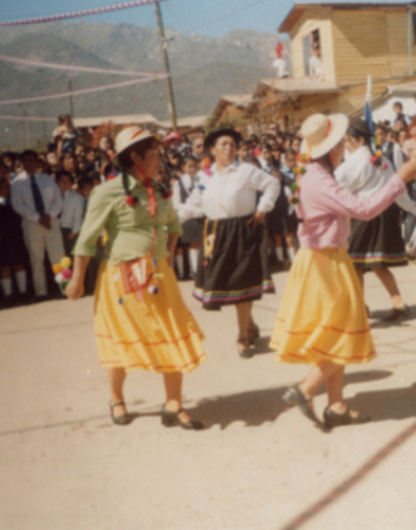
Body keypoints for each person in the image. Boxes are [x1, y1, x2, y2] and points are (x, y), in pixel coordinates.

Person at [270, 113, 416, 429]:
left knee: (336, 330)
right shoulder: (318, 178)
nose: (342, 148)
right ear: (329, 147)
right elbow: (363, 210)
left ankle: (337, 405)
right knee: (344, 328)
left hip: (321, 258)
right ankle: (306, 388)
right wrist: (400, 178)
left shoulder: (311, 172)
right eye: (339, 143)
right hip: (325, 262)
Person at [66, 126, 206, 429]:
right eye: (153, 155)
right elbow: (87, 239)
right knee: (122, 342)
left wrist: (165, 259)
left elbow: (173, 227)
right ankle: (117, 399)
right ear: (134, 157)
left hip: (159, 278)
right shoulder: (107, 191)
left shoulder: (160, 189)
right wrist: (77, 279)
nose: (159, 160)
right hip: (121, 279)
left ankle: (174, 403)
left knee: (170, 336)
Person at [178, 128, 280, 359]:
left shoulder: (246, 171)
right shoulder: (205, 176)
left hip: (243, 231)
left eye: (232, 144)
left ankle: (243, 336)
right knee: (231, 285)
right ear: (212, 149)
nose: (229, 148)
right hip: (215, 234)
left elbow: (273, 185)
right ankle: (250, 325)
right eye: (223, 144)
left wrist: (263, 208)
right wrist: (169, 221)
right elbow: (194, 205)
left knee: (242, 283)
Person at [336, 118, 416, 320]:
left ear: (357, 140)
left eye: (347, 141)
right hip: (382, 214)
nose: (346, 145)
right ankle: (398, 303)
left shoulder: (353, 161)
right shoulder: (383, 160)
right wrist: (412, 208)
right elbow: (398, 188)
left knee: (355, 263)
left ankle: (359, 306)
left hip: (362, 216)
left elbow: (335, 187)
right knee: (375, 263)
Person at [10, 150, 65, 302]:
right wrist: (37, 218)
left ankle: (65, 288)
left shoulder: (48, 179)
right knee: (36, 259)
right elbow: (17, 205)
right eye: (25, 161)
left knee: (58, 257)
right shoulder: (17, 183)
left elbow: (58, 201)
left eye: (31, 160)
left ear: (37, 162)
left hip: (51, 222)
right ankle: (41, 292)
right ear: (22, 164)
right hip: (32, 224)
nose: (29, 164)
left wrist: (49, 216)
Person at [0, 179, 29, 304]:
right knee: (5, 267)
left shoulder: (14, 203)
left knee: (18, 264)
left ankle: (23, 292)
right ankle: (8, 295)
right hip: (3, 239)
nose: (6, 190)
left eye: (7, 187)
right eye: (3, 188)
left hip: (16, 237)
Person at [172, 156, 204, 280]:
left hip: (202, 214)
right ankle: (194, 270)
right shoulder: (179, 182)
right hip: (188, 216)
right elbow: (176, 203)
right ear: (183, 168)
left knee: (203, 242)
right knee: (193, 243)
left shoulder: (202, 179)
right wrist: (191, 208)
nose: (192, 169)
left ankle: (203, 269)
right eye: (189, 166)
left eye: (194, 166)